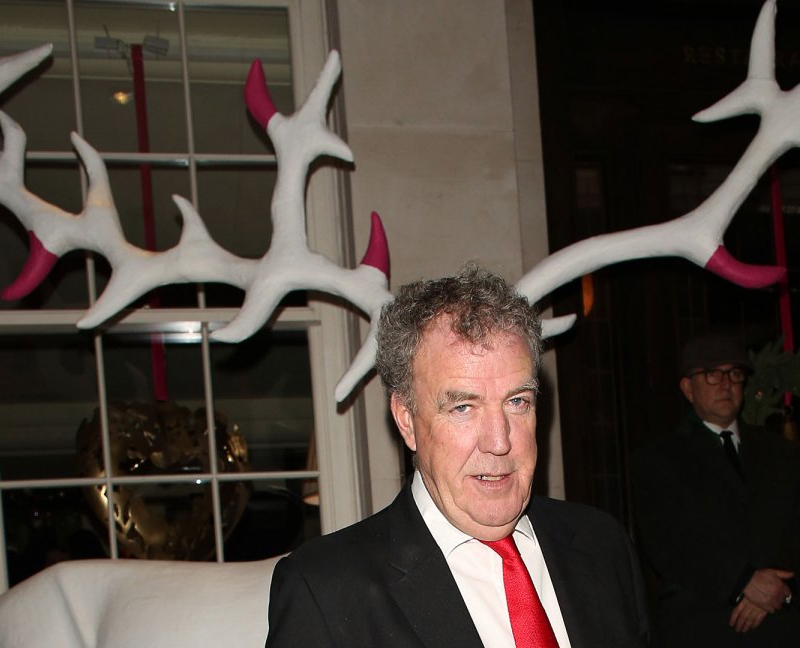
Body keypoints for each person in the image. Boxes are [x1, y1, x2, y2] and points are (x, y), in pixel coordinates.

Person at [266, 265, 650, 647]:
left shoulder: (603, 546)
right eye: (463, 407)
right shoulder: (324, 591)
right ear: (406, 419)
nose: (499, 442)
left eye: (517, 402)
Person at [631, 333, 800, 647]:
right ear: (687, 388)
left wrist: (781, 590)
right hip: (701, 629)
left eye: (734, 373)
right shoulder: (660, 460)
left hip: (777, 629)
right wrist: (743, 582)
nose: (726, 384)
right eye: (712, 374)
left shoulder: (780, 453)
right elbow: (667, 542)